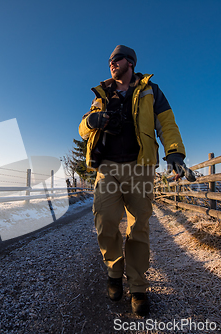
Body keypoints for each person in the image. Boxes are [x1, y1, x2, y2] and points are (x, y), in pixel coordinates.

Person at [78, 45, 191, 316]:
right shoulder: (101, 94)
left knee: (138, 228)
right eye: (109, 61)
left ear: (130, 62)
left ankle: (138, 287)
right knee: (104, 222)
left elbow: (167, 124)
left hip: (139, 169)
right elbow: (82, 129)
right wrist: (93, 119)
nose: (111, 64)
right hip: (107, 168)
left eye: (116, 59)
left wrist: (174, 151)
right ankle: (114, 272)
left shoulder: (151, 90)